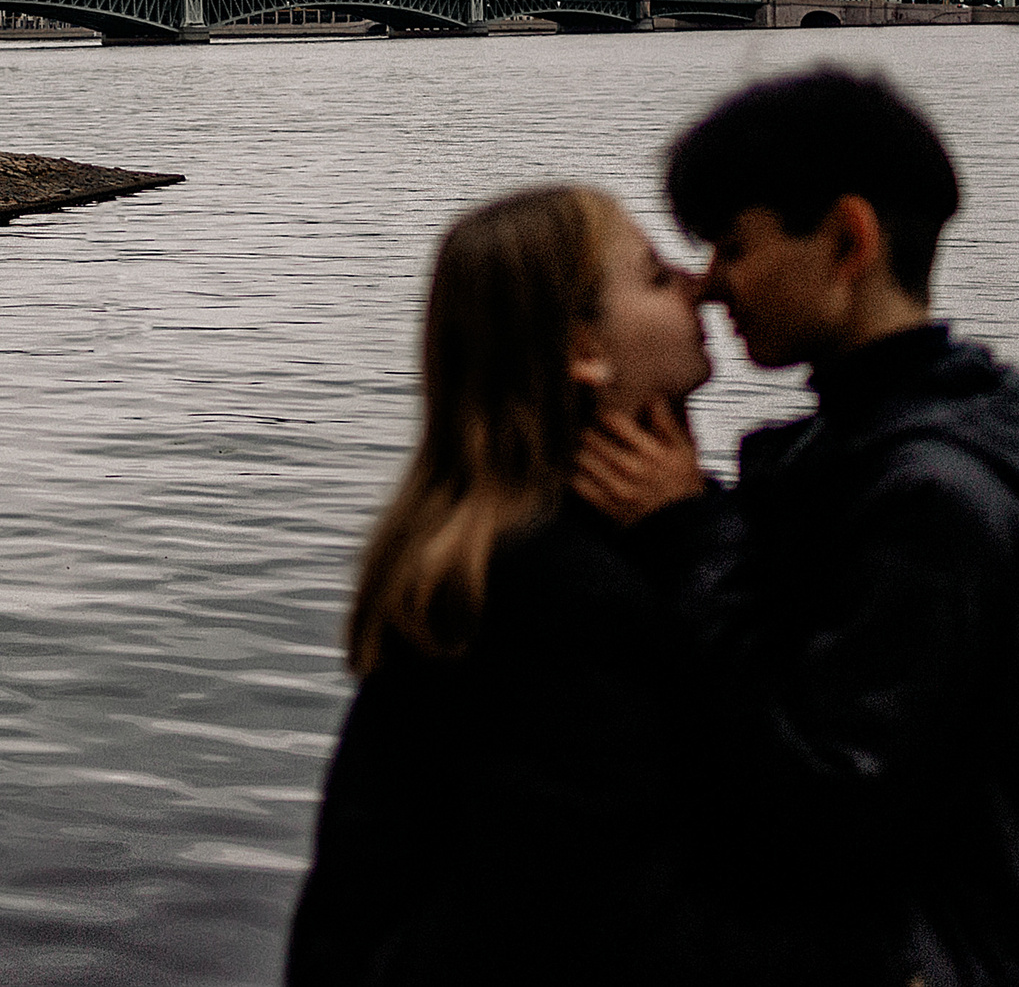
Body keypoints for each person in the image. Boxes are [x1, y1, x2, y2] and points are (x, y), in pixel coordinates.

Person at [575, 67, 1019, 987]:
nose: (710, 286)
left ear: (848, 239)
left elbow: (820, 795)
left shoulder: (927, 505)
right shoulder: (943, 454)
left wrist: (690, 537)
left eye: (733, 246)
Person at [287, 183, 714, 986]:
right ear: (584, 350)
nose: (699, 283)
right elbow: (589, 910)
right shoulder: (564, 594)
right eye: (657, 276)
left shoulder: (496, 560)